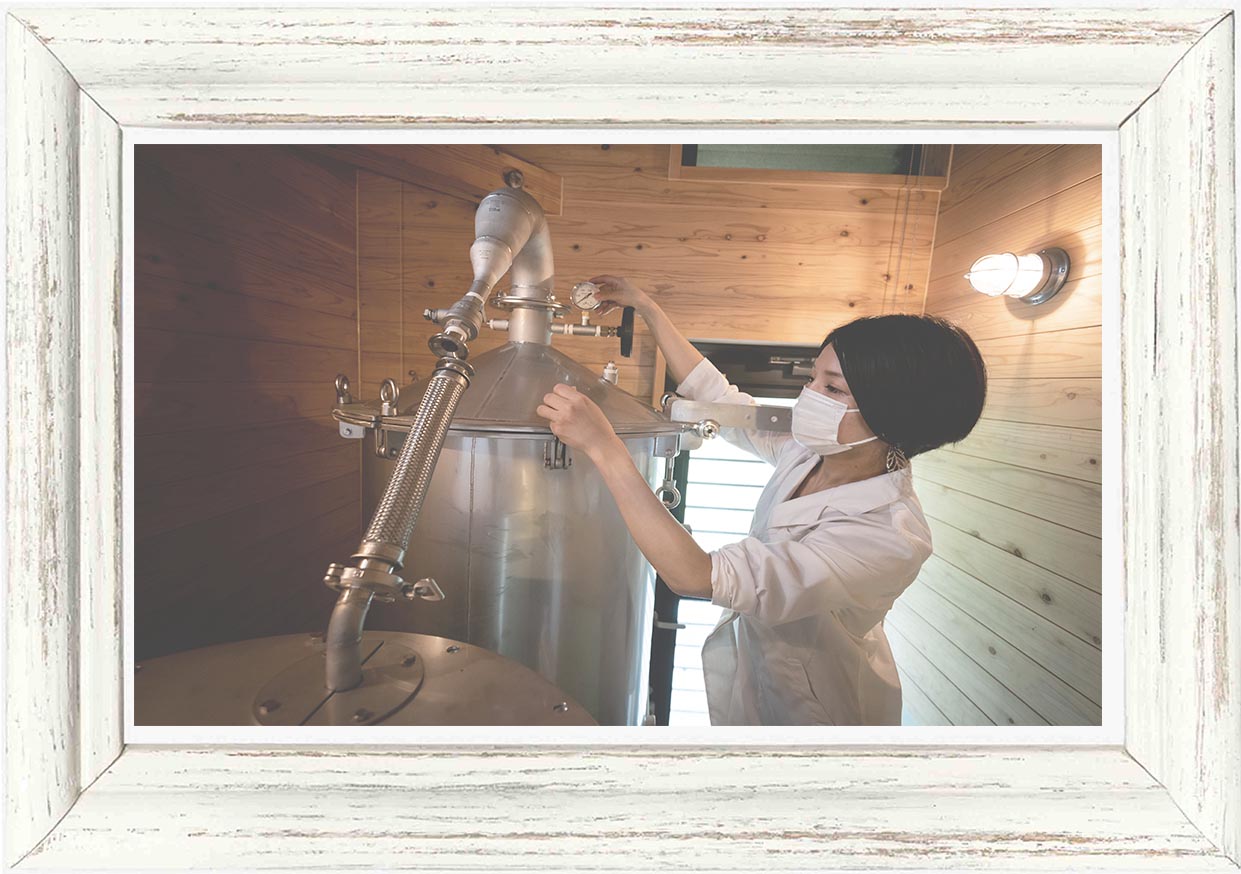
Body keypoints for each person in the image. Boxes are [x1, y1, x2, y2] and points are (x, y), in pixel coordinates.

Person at [536, 275, 987, 726]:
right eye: (812, 378)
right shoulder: (813, 451)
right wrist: (647, 307)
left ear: (894, 413)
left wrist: (603, 446)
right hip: (760, 675)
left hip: (822, 713)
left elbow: (695, 576)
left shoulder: (888, 537)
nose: (808, 396)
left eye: (832, 389)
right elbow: (719, 398)